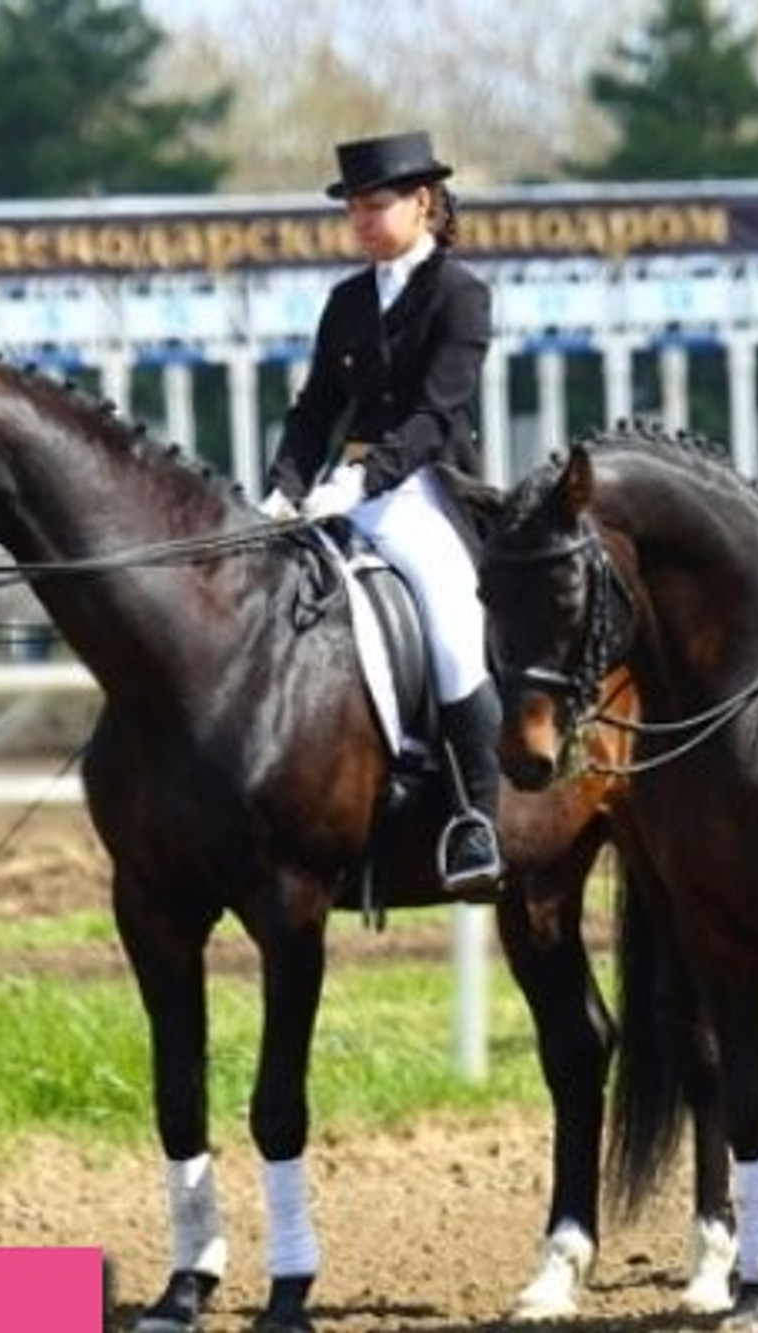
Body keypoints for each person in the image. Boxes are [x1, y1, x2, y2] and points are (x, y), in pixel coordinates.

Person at [259, 129, 502, 897]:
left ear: (422, 203)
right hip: (345, 491)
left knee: (453, 627)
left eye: (375, 205)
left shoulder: (460, 294)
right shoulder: (346, 302)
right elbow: (314, 409)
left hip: (428, 490)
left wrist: (363, 479)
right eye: (353, 209)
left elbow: (437, 414)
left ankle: (477, 817)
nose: (361, 222)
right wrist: (282, 486)